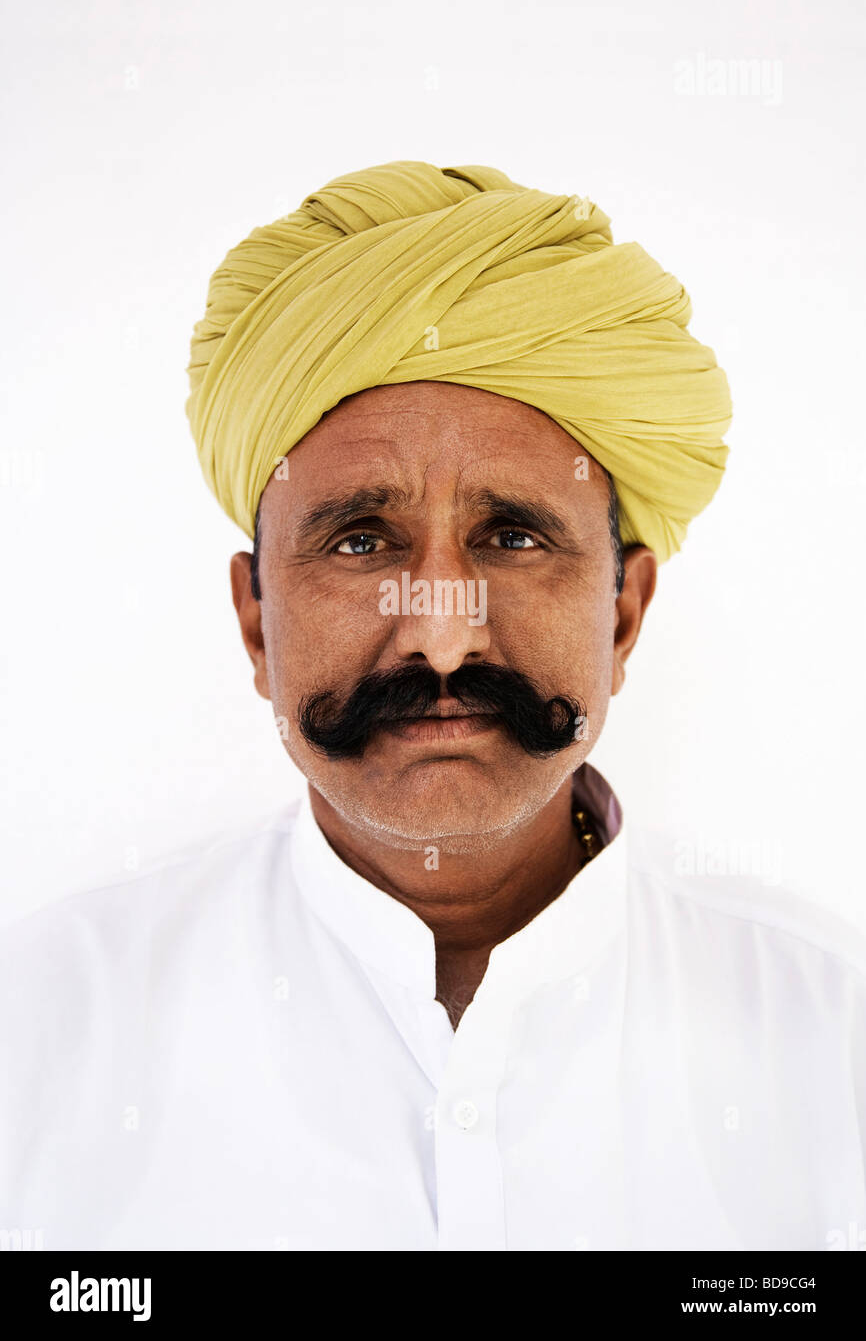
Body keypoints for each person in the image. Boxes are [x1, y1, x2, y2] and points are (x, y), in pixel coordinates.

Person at [1, 162, 863, 1251]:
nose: (442, 631)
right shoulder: (36, 1041)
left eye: (513, 536)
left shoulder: (832, 1044)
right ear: (257, 620)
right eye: (361, 541)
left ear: (622, 614)